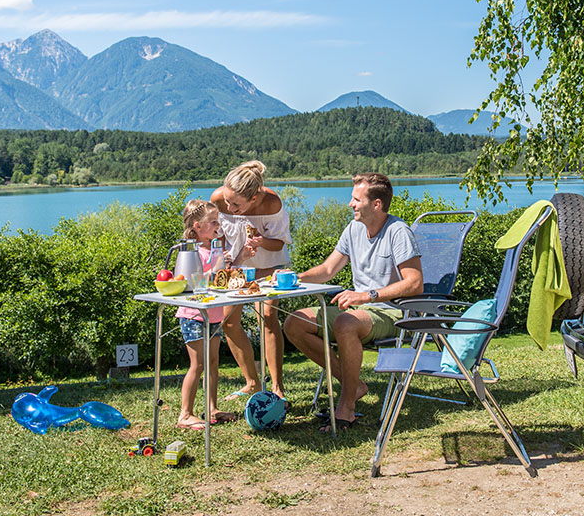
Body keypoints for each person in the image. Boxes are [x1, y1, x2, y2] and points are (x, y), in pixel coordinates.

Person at [283, 172, 422, 431]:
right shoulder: (353, 229)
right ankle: (354, 386)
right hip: (360, 311)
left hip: (393, 313)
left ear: (376, 204)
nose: (351, 204)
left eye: (356, 199)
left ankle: (346, 409)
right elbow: (327, 270)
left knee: (345, 322)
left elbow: (415, 283)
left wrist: (367, 295)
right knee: (294, 323)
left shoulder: (398, 231)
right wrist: (293, 277)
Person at [211, 160, 293, 402]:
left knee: (268, 317)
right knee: (228, 322)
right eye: (227, 201)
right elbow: (217, 233)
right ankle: (252, 382)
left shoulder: (272, 202)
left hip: (270, 265)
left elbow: (279, 242)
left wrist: (260, 240)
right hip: (238, 266)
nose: (228, 206)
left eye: (235, 204)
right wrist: (222, 257)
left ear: (254, 198)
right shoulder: (218, 199)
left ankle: (277, 387)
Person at [175, 199, 245, 430]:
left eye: (218, 221)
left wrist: (232, 263)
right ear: (197, 226)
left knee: (213, 363)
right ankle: (185, 414)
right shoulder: (191, 251)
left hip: (213, 314)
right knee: (198, 364)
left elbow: (219, 280)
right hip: (194, 314)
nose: (218, 226)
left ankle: (212, 408)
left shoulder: (214, 249)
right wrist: (217, 269)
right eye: (213, 222)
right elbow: (194, 282)